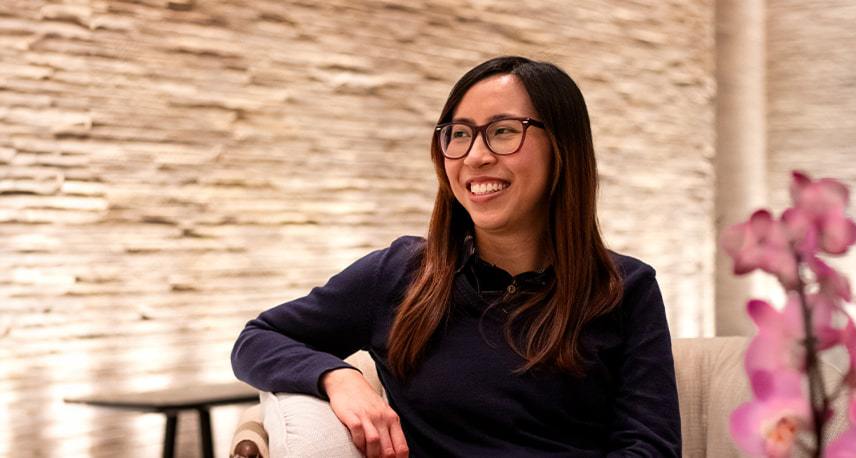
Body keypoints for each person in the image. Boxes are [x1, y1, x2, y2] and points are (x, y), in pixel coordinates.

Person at [231, 56, 681, 457]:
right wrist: (337, 376)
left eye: (503, 132)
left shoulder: (624, 289)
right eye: (459, 135)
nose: (475, 156)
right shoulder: (401, 273)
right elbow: (257, 339)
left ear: (563, 147)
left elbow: (650, 446)